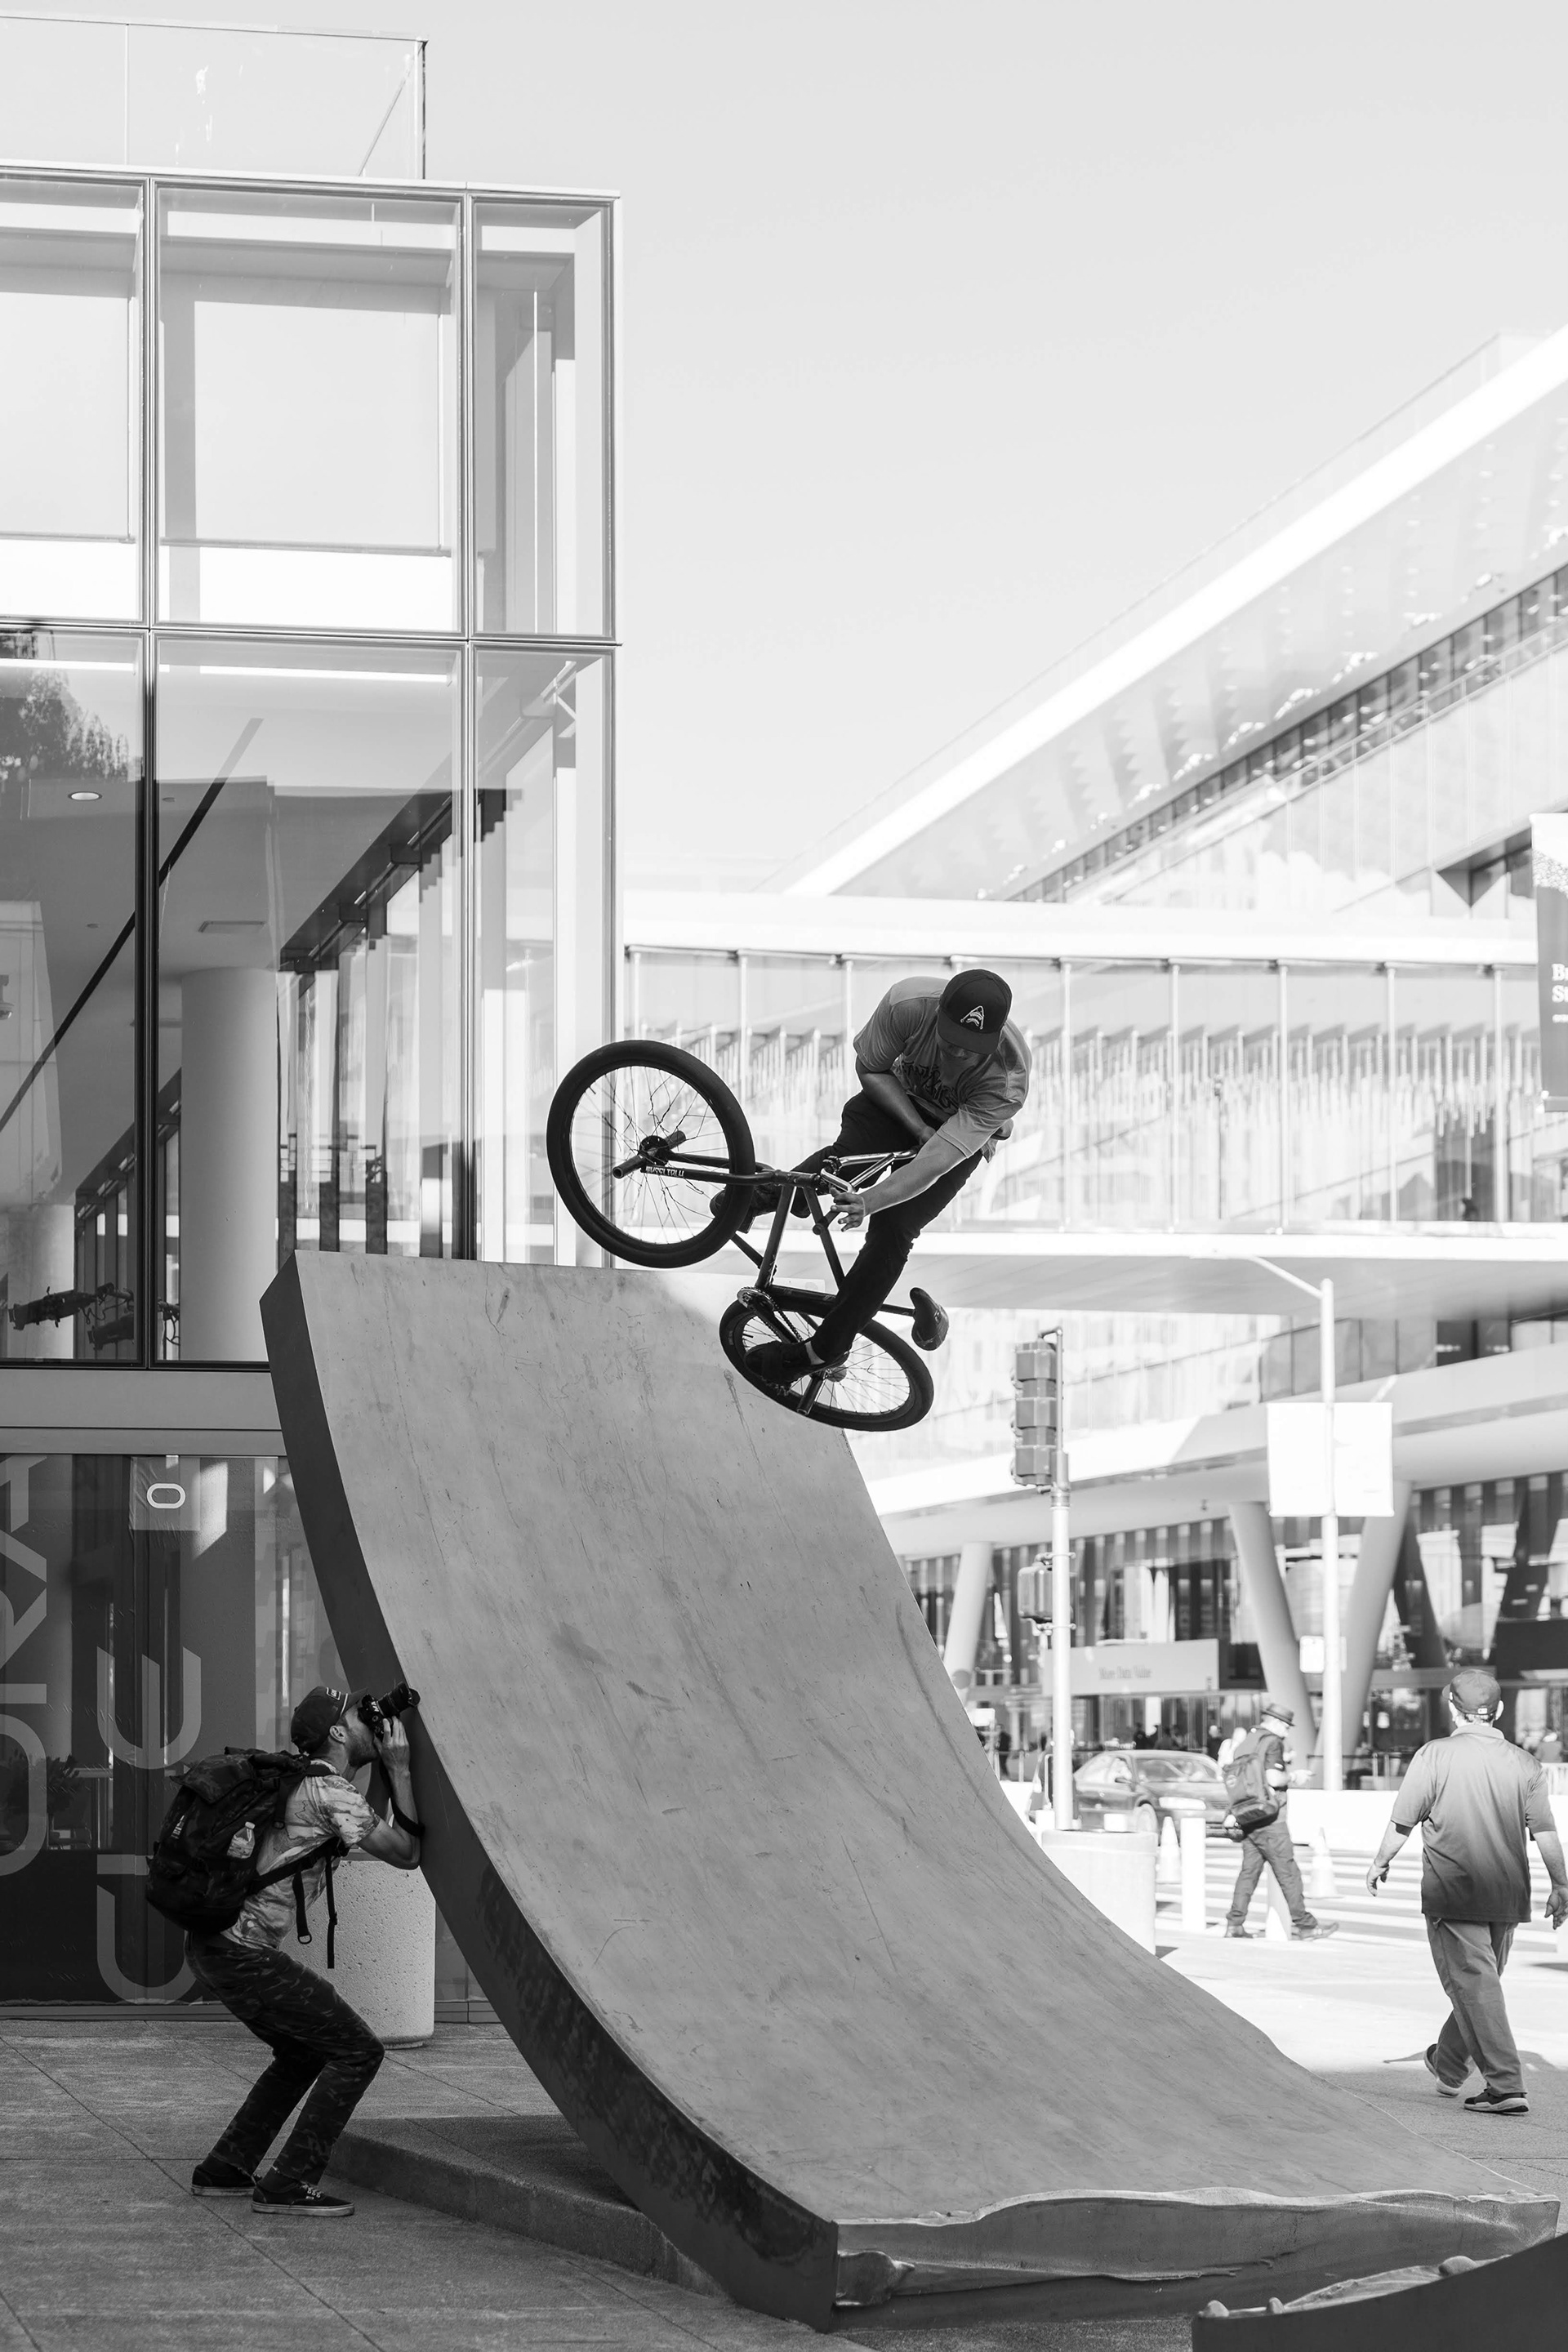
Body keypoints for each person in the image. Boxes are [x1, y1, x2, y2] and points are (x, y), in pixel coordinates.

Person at [185, 1687, 424, 2216]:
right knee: (358, 2050)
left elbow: (368, 1816)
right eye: (358, 1716)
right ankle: (289, 2182)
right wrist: (400, 1768)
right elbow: (408, 1853)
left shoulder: (302, 1780)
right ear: (337, 1732)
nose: (370, 1720)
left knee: (303, 2051)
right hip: (244, 1952)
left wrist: (377, 1758)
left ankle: (227, 2167)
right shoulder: (328, 1793)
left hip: (211, 1944)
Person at [747, 969, 1031, 1381]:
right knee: (844, 1162)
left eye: (971, 1051)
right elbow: (871, 1070)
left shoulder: (1007, 1080)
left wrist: (869, 1202)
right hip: (897, 1096)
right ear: (938, 1014)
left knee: (895, 1228)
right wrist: (916, 1126)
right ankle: (758, 1198)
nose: (957, 1055)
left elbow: (935, 1161)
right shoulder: (908, 1005)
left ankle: (822, 1352)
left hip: (956, 1134)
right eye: (951, 1041)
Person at [1365, 1667, 1568, 2116]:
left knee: (1476, 1988)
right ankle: (1450, 2065)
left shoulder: (1434, 1755)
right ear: (1498, 1710)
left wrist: (1381, 1861)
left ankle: (1505, 2085)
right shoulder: (1526, 1763)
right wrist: (1561, 1884)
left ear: (1453, 1709)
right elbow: (1546, 1832)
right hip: (1507, 1896)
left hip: (1454, 1894)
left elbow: (1403, 1821)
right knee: (1480, 1985)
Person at [1223, 1699, 1338, 1942]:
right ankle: (1306, 1926)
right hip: (1270, 1819)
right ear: (1275, 1723)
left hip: (1247, 1816)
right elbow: (1274, 1778)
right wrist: (1294, 1776)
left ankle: (1234, 1924)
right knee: (1289, 1873)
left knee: (1248, 1874)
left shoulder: (1246, 1742)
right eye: (1286, 1727)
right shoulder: (1272, 1741)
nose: (1287, 1732)